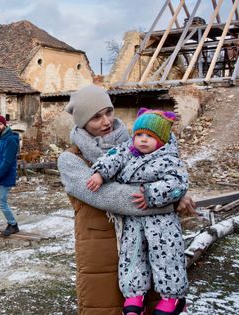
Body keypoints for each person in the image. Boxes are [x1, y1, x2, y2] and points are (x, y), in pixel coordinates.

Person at [57, 84, 196, 315]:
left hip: (148, 240)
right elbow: (112, 197)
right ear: (82, 122)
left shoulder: (140, 142)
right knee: (104, 307)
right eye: (96, 117)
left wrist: (177, 191)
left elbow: (166, 171)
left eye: (108, 112)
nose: (106, 121)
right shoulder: (70, 160)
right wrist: (169, 201)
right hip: (100, 247)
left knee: (151, 304)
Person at [87, 108, 189, 315]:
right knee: (131, 256)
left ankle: (172, 297)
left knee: (167, 256)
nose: (142, 140)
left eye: (149, 137)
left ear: (161, 140)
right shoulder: (128, 151)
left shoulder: (169, 159)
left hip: (162, 220)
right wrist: (100, 173)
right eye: (139, 135)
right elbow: (112, 157)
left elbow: (178, 183)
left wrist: (151, 194)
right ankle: (134, 294)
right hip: (133, 221)